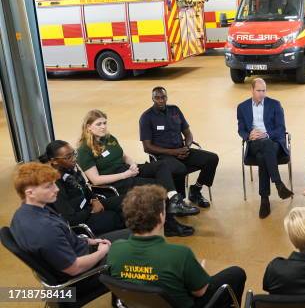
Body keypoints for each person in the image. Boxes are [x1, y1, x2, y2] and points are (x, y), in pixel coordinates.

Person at [107, 185, 246, 308]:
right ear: (161, 217)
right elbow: (200, 291)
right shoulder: (180, 254)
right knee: (236, 273)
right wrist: (196, 271)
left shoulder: (115, 249)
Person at [10, 163, 129, 305]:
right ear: (30, 192)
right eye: (49, 186)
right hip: (80, 277)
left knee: (130, 234)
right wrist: (102, 252)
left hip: (77, 251)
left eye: (54, 184)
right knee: (135, 249)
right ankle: (124, 301)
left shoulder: (23, 213)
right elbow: (74, 268)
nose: (56, 189)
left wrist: (89, 241)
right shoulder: (45, 230)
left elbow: (63, 237)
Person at [77, 109, 198, 236]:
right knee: (160, 187)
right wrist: (126, 174)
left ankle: (174, 201)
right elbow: (96, 180)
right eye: (99, 124)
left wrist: (132, 164)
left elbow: (124, 156)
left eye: (104, 123)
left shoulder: (109, 138)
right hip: (117, 181)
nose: (103, 127)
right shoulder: (84, 150)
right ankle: (170, 225)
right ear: (89, 127)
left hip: (127, 170)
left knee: (161, 166)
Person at [140, 86, 218, 209]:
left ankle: (196, 190)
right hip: (162, 156)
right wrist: (173, 152)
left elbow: (188, 133)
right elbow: (147, 147)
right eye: (157, 98)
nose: (160, 100)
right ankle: (179, 200)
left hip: (182, 151)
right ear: (152, 98)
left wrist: (186, 147)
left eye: (163, 97)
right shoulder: (146, 117)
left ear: (167, 97)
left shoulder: (175, 110)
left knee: (212, 159)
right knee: (180, 168)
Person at [40, 140, 125, 236]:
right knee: (114, 217)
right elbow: (70, 219)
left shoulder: (70, 169)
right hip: (81, 220)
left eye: (74, 154)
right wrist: (91, 210)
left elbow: (85, 187)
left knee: (126, 202)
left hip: (89, 206)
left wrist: (94, 199)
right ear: (54, 161)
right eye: (68, 157)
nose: (74, 158)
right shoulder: (54, 185)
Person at [237, 78, 294, 219]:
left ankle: (264, 200)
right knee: (263, 147)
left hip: (274, 142)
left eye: (264, 90)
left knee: (264, 154)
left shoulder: (275, 104)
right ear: (252, 90)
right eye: (259, 91)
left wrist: (266, 134)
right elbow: (241, 130)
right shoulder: (242, 107)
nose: (262, 94)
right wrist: (249, 135)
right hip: (254, 143)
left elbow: (281, 129)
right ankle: (278, 183)